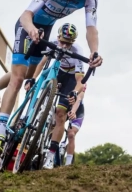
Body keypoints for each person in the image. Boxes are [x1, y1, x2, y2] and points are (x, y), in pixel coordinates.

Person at [0, 0, 103, 156]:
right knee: (18, 78)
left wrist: (94, 52)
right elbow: (25, 15)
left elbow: (91, 29)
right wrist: (31, 29)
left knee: (29, 74)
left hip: (45, 29)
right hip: (28, 26)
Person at [21, 23, 85, 169]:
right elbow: (43, 62)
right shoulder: (53, 44)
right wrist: (33, 78)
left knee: (60, 113)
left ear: (72, 42)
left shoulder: (77, 52)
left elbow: (80, 81)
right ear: (57, 37)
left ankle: (50, 155)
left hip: (70, 77)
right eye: (61, 42)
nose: (63, 46)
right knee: (41, 81)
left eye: (67, 44)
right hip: (57, 70)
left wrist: (74, 92)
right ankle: (34, 111)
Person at [64, 83, 87, 166]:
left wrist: (73, 111)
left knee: (71, 134)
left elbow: (79, 99)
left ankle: (68, 163)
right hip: (63, 109)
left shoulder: (81, 83)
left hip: (77, 111)